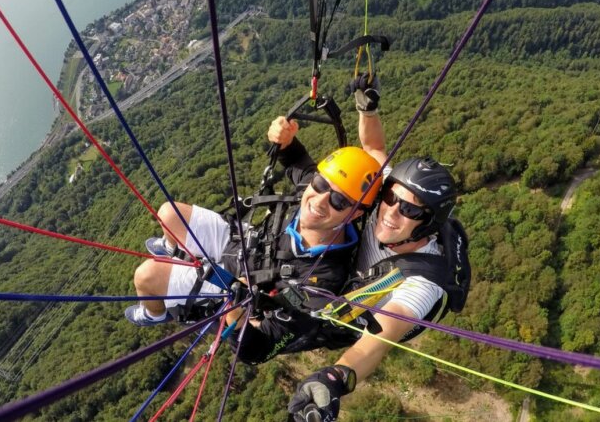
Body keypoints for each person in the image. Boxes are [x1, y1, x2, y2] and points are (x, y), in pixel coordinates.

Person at [282, 76, 471, 422]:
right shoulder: (387, 205)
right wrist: (367, 110)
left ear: (427, 223)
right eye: (389, 198)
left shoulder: (422, 282)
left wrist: (335, 378)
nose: (391, 212)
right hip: (350, 271)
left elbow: (380, 338)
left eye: (410, 210)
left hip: (357, 311)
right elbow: (374, 153)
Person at [125, 136, 383, 365]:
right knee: (169, 213)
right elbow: (296, 159)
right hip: (244, 244)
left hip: (236, 289)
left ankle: (154, 313)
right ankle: (173, 249)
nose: (320, 199)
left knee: (147, 276)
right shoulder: (311, 189)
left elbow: (258, 350)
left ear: (355, 214)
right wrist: (285, 138)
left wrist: (236, 314)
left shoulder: (324, 279)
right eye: (321, 184)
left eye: (339, 201)